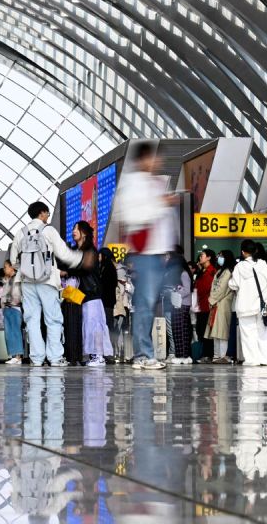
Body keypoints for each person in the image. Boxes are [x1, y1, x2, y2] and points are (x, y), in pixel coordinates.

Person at [114, 141, 178, 370]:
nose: (157, 163)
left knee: (148, 304)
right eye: (153, 158)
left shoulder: (155, 183)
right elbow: (134, 216)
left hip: (157, 253)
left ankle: (144, 353)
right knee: (145, 303)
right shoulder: (133, 184)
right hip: (145, 253)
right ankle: (142, 354)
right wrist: (161, 205)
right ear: (143, 159)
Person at [8, 201, 82, 367]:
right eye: (47, 213)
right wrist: (80, 259)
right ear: (42, 213)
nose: (48, 216)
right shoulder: (48, 230)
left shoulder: (20, 233)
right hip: (48, 281)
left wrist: (26, 269)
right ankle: (55, 358)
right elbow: (64, 253)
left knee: (32, 320)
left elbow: (13, 261)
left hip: (27, 282)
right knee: (53, 319)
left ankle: (37, 358)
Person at [69, 222, 111, 367]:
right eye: (73, 228)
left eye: (76, 229)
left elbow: (84, 268)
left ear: (84, 233)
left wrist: (67, 271)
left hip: (92, 293)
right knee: (88, 325)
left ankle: (99, 355)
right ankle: (93, 354)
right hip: (82, 295)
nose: (73, 231)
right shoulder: (77, 250)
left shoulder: (90, 250)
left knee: (95, 324)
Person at [228, 240, 267, 367]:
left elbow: (234, 284)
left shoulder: (240, 267)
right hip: (261, 306)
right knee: (262, 333)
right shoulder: (263, 264)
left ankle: (252, 360)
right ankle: (265, 359)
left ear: (243, 252)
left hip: (245, 306)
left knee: (248, 334)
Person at [205, 250, 236, 363]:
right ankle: (216, 355)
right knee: (215, 330)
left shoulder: (228, 272)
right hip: (215, 303)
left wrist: (211, 299)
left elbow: (222, 289)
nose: (219, 258)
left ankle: (223, 355)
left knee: (222, 331)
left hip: (223, 303)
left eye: (221, 256)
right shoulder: (220, 271)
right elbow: (214, 286)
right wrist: (212, 299)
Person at [192, 249, 217, 361]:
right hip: (200, 306)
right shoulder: (202, 271)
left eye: (202, 255)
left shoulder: (212, 271)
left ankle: (208, 355)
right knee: (200, 330)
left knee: (207, 332)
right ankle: (204, 354)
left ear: (209, 257)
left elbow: (206, 288)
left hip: (207, 306)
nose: (200, 257)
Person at [0, 261, 24, 364]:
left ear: (12, 267)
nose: (4, 269)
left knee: (15, 331)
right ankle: (13, 355)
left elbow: (19, 293)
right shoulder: (7, 280)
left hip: (15, 307)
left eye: (6, 267)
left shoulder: (18, 279)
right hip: (7, 307)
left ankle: (18, 356)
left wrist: (18, 301)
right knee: (9, 333)